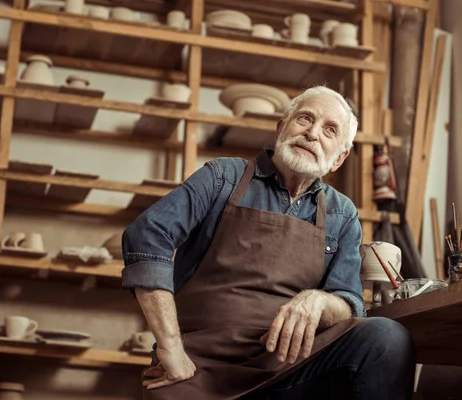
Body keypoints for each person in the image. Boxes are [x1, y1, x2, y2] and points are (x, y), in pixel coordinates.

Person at [121, 86, 416, 400]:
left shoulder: (341, 214)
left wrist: (319, 300)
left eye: (330, 130)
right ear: (281, 129)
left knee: (387, 338)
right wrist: (170, 347)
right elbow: (149, 236)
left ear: (339, 158)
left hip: (288, 369)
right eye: (305, 119)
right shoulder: (223, 177)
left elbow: (349, 302)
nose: (313, 133)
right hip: (197, 367)